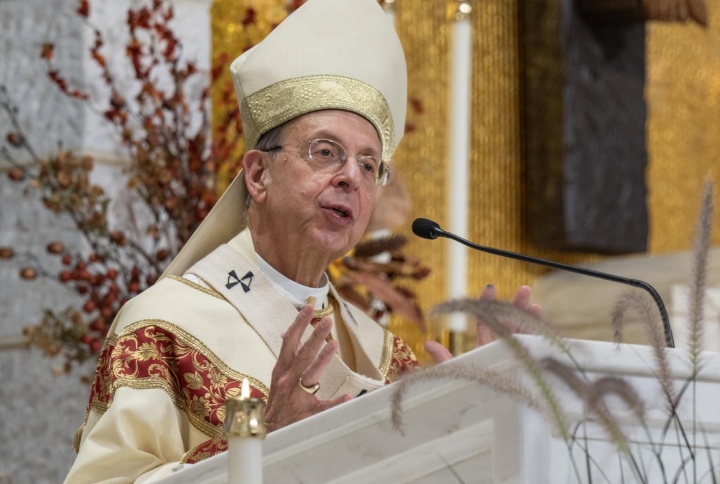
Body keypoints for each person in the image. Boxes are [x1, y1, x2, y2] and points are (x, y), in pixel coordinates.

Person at [65, 0, 539, 482]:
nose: (351, 177)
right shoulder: (163, 326)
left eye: (369, 165)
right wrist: (261, 438)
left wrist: (476, 412)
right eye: (325, 152)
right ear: (258, 174)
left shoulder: (384, 355)